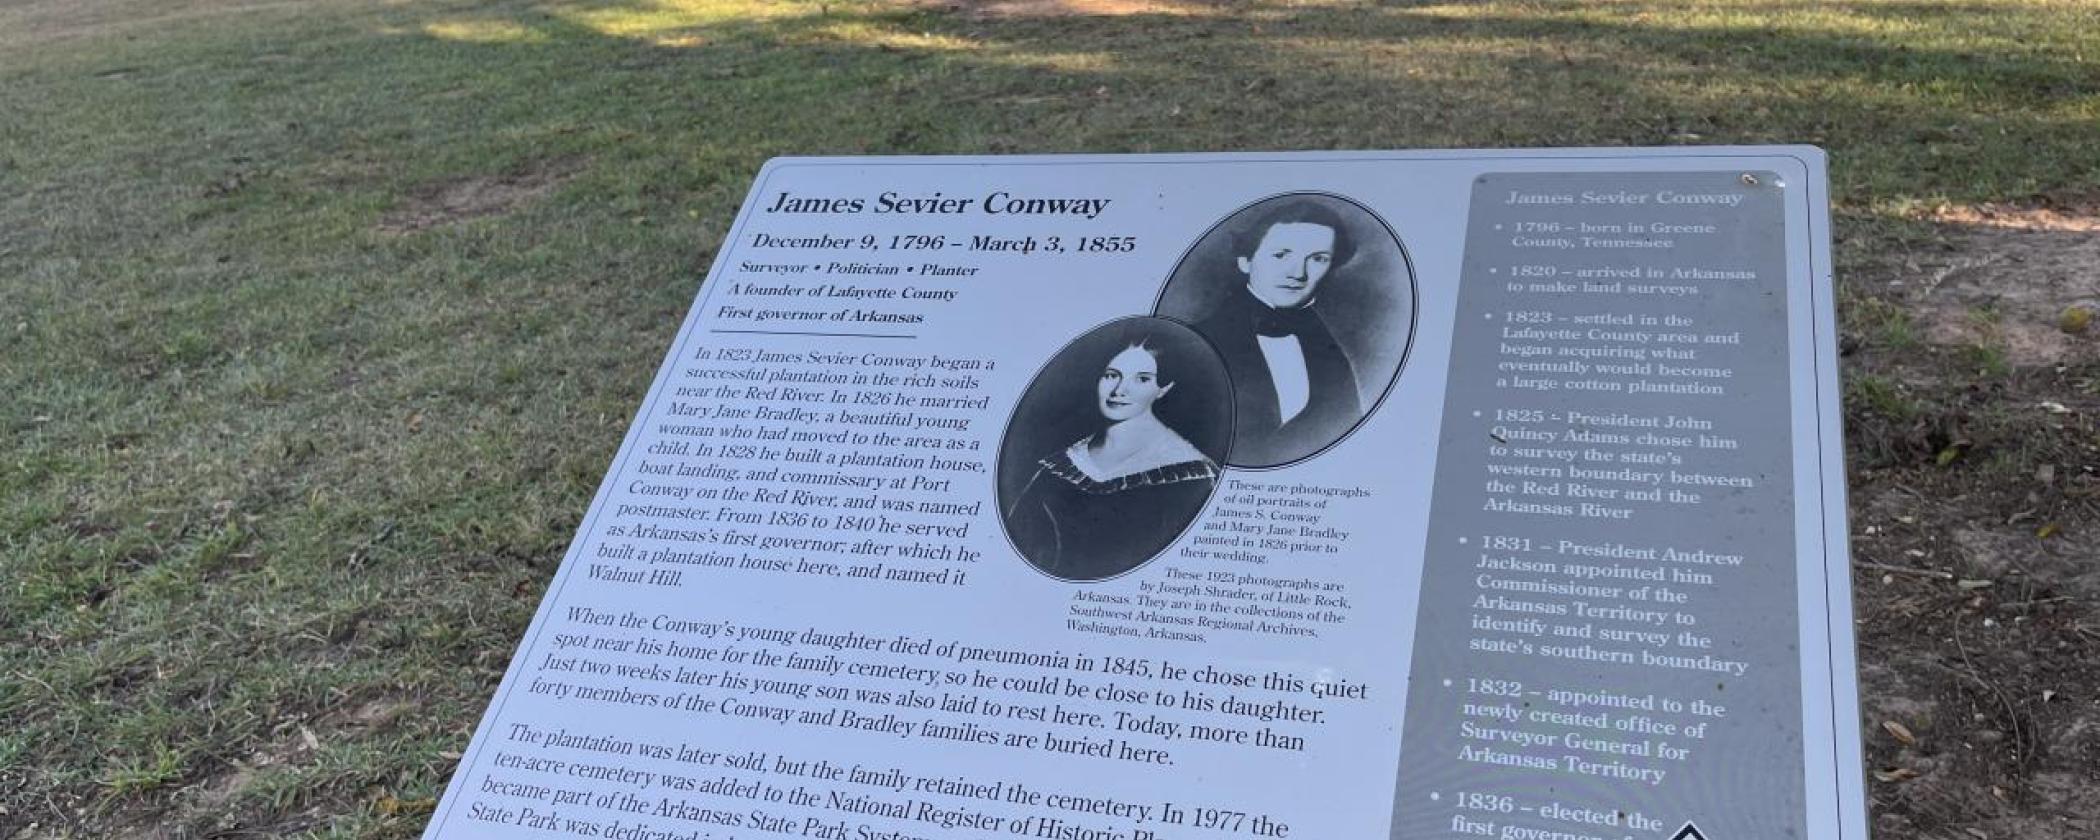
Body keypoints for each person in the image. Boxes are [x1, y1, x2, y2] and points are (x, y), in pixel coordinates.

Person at [1004, 342, 1219, 581]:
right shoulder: (1060, 465)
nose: (1119, 390)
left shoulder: (1193, 475)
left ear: (1164, 388)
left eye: (1142, 379)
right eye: (1111, 376)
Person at [1192, 200, 1363, 466]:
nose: (1298, 273)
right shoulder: (1194, 344)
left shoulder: (1331, 353)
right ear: (1245, 261)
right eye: (1281, 255)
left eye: (1318, 259)